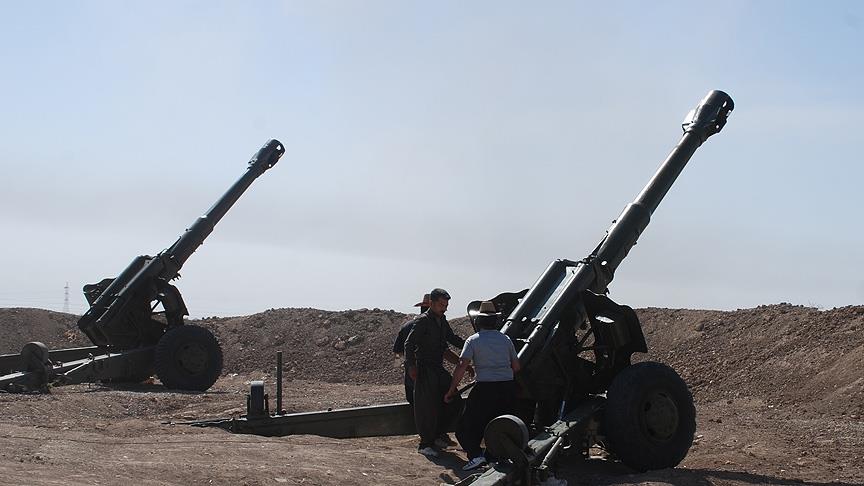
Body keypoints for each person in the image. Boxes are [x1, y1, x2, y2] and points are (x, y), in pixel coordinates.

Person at [444, 301, 521, 471]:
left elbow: (462, 366)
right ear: (495, 321)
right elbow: (516, 367)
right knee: (499, 424)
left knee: (465, 427)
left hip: (485, 389)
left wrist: (451, 390)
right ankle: (494, 457)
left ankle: (476, 456)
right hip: (507, 389)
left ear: (479, 321)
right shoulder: (506, 339)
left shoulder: (473, 340)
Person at [404, 288, 472, 457]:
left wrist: (471, 345)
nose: (445, 308)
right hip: (425, 369)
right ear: (432, 303)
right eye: (442, 305)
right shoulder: (422, 321)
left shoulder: (442, 320)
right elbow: (408, 344)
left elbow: (452, 339)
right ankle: (425, 444)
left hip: (438, 368)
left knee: (453, 400)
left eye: (446, 305)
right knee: (426, 407)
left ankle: (438, 434)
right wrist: (411, 366)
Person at [392, 293, 431, 403]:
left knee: (414, 405)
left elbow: (398, 351)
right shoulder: (434, 326)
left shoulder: (406, 326)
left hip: (410, 376)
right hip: (429, 377)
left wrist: (406, 364)